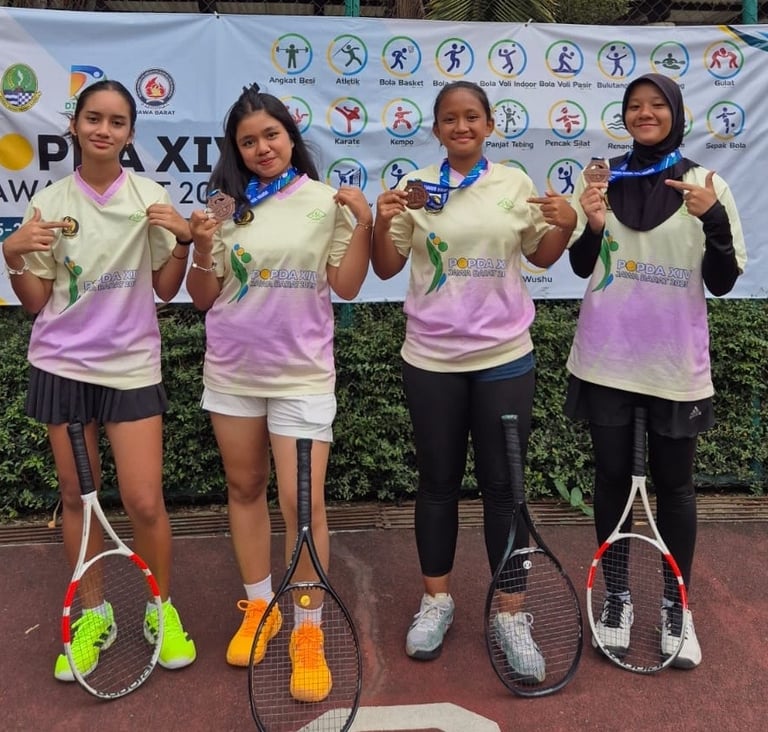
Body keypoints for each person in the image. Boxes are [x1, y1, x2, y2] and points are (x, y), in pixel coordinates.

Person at [371, 80, 576, 681]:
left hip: (505, 358)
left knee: (505, 489)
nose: (461, 127)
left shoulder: (512, 183)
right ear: (436, 129)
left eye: (471, 117)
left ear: (489, 125)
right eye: (449, 119)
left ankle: (510, 612)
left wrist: (566, 224)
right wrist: (383, 222)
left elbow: (541, 256)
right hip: (431, 359)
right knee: (437, 484)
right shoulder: (415, 187)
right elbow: (385, 265)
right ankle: (437, 601)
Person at [1, 79, 197, 680]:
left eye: (116, 121)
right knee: (75, 499)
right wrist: (12, 255)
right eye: (93, 118)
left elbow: (166, 289)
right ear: (75, 125)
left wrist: (183, 243)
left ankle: (160, 610)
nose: (103, 129)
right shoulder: (50, 202)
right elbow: (36, 302)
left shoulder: (149, 195)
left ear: (131, 133)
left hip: (131, 367)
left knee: (144, 500)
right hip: (62, 367)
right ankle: (94, 616)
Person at [186, 83, 370, 702]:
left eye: (271, 135)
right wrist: (202, 244)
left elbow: (347, 285)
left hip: (302, 376)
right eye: (248, 141)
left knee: (302, 504)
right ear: (235, 150)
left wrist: (365, 223)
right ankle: (260, 609)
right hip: (232, 373)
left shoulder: (326, 200)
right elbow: (203, 297)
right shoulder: (222, 207)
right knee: (244, 490)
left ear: (291, 137)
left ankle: (307, 632)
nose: (262, 148)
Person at [565, 73, 747, 669]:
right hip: (606, 359)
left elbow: (722, 281)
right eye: (634, 106)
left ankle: (676, 606)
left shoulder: (706, 185)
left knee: (676, 488)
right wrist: (592, 225)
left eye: (656, 105)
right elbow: (581, 266)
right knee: (611, 480)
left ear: (676, 113)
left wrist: (713, 219)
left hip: (675, 365)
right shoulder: (602, 180)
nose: (645, 114)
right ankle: (616, 599)